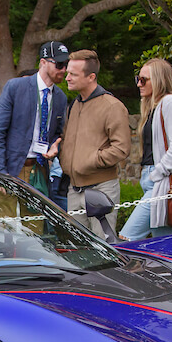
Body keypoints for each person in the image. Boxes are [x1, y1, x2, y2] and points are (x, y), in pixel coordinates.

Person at [60, 49, 131, 236]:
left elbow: (121, 148)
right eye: (68, 72)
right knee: (78, 248)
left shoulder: (112, 106)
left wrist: (90, 161)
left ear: (91, 77)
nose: (67, 77)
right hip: (74, 189)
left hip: (102, 188)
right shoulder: (74, 105)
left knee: (102, 247)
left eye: (73, 74)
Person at [0, 41, 69, 196]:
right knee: (4, 220)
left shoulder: (60, 98)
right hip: (9, 169)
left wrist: (54, 147)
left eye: (66, 64)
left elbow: (58, 134)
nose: (64, 70)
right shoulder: (15, 87)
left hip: (38, 170)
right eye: (59, 64)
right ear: (43, 63)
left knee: (35, 220)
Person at [119, 58, 172, 241]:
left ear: (159, 80)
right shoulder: (151, 107)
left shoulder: (169, 102)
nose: (139, 84)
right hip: (153, 180)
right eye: (138, 79)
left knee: (126, 238)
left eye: (144, 79)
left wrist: (158, 172)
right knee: (163, 247)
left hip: (160, 183)